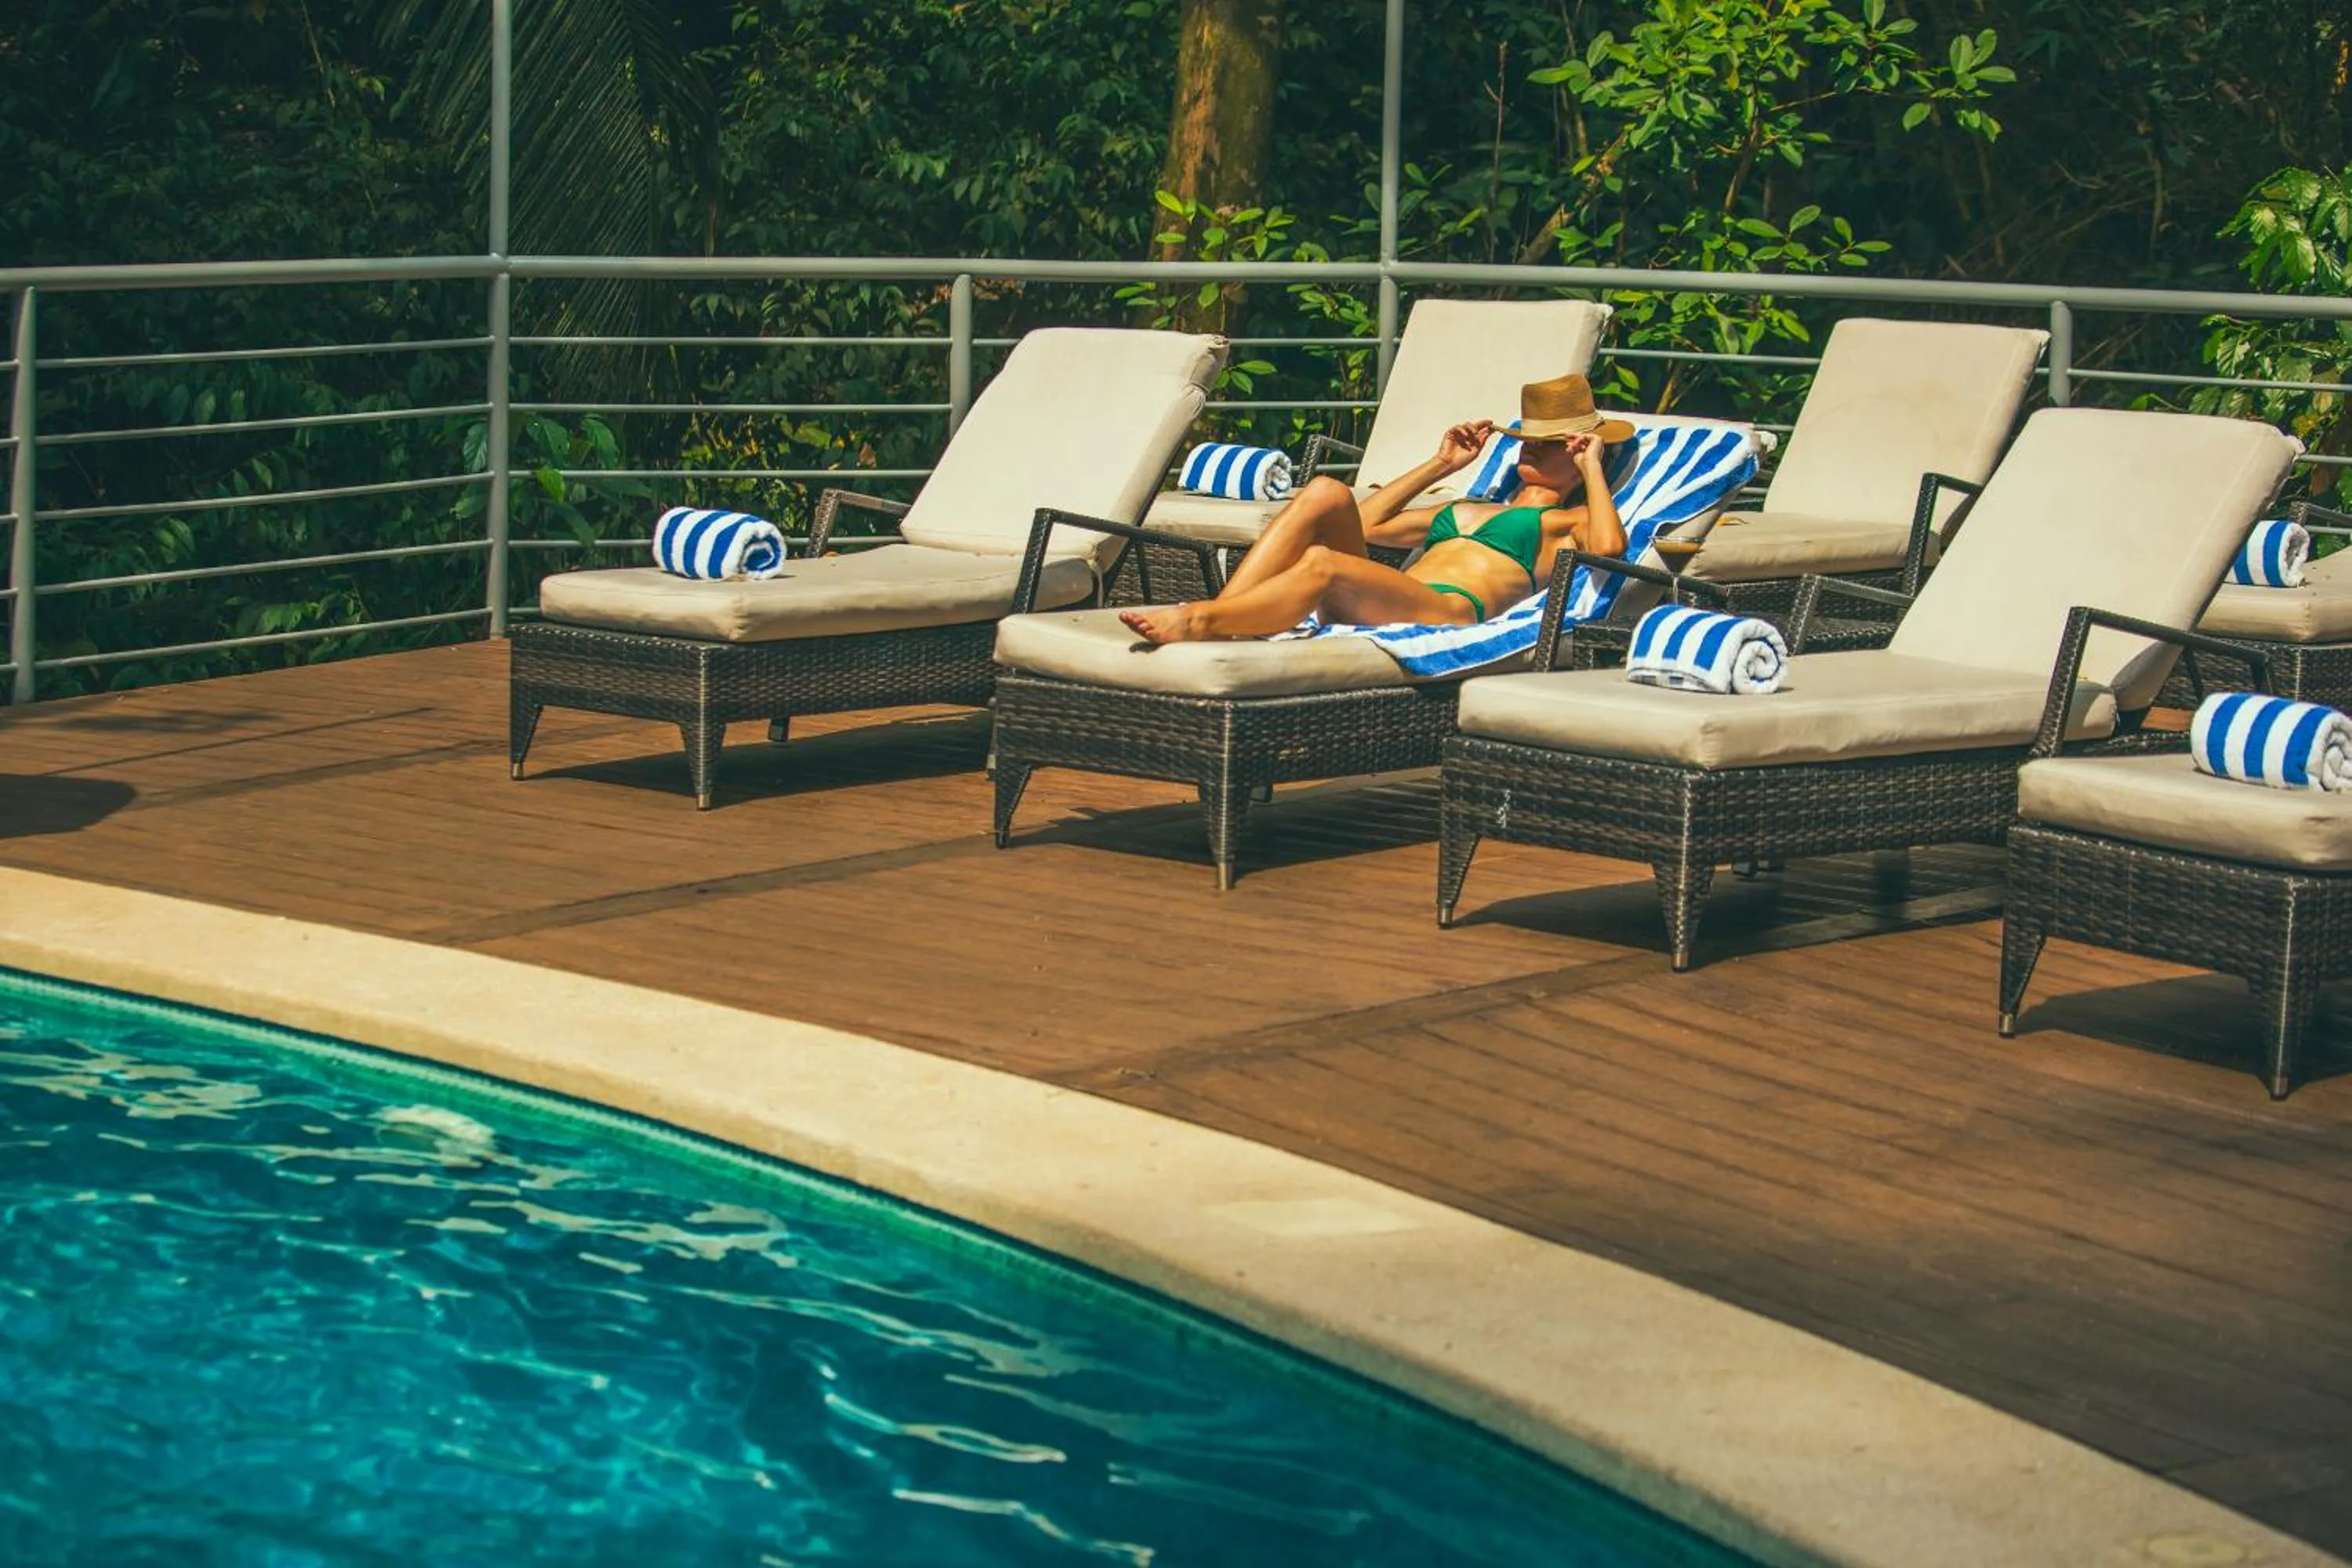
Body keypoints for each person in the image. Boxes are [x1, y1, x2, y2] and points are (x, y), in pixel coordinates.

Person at [1119, 372, 1635, 644]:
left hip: (1448, 610)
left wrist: (1592, 468)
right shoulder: (1465, 505)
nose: (1531, 447)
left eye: (1550, 445)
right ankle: (1225, 610)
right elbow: (1365, 524)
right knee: (1324, 491)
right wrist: (1440, 464)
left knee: (1323, 564)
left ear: (1579, 451)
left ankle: (1204, 622)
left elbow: (1611, 548)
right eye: (1528, 439)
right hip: (1387, 595)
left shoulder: (1569, 523)